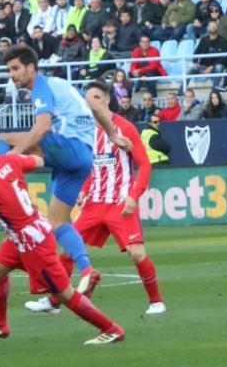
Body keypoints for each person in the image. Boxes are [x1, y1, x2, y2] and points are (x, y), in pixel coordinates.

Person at [0, 44, 128, 295]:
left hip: (68, 147)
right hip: (84, 157)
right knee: (58, 222)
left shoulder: (42, 87)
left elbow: (42, 129)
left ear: (31, 67)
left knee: (4, 138)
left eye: (16, 68)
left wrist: (10, 159)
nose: (12, 74)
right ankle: (87, 269)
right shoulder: (62, 84)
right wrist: (112, 135)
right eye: (9, 70)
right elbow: (95, 105)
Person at [0, 127, 125, 345]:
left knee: (64, 293)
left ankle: (112, 329)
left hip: (32, 243)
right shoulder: (9, 161)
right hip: (27, 233)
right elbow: (38, 161)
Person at [26, 81, 165, 316]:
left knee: (137, 253)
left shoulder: (124, 128)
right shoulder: (86, 130)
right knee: (68, 248)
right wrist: (83, 188)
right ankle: (54, 301)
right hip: (94, 204)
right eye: (88, 98)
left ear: (107, 100)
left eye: (97, 98)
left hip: (120, 204)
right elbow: (90, 165)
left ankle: (156, 301)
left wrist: (133, 196)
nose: (92, 103)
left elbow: (144, 164)